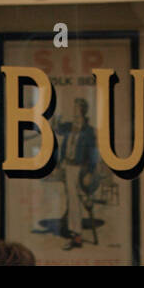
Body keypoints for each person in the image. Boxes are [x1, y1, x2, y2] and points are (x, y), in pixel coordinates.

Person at [56, 97, 98, 251]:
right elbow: (57, 129)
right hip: (68, 167)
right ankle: (85, 199)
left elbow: (93, 154)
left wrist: (91, 172)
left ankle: (76, 236)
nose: (73, 110)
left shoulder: (89, 131)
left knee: (73, 201)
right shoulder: (68, 126)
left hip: (79, 169)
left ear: (82, 110)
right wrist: (58, 117)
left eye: (76, 108)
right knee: (72, 198)